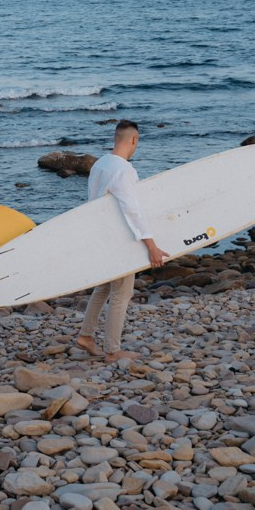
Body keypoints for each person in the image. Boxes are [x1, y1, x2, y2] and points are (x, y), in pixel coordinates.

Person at [75, 119, 166, 363]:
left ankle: (86, 336)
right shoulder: (123, 169)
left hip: (102, 236)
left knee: (104, 287)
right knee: (121, 294)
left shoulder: (100, 164)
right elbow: (132, 209)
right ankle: (113, 351)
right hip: (120, 239)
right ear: (133, 140)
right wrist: (151, 246)